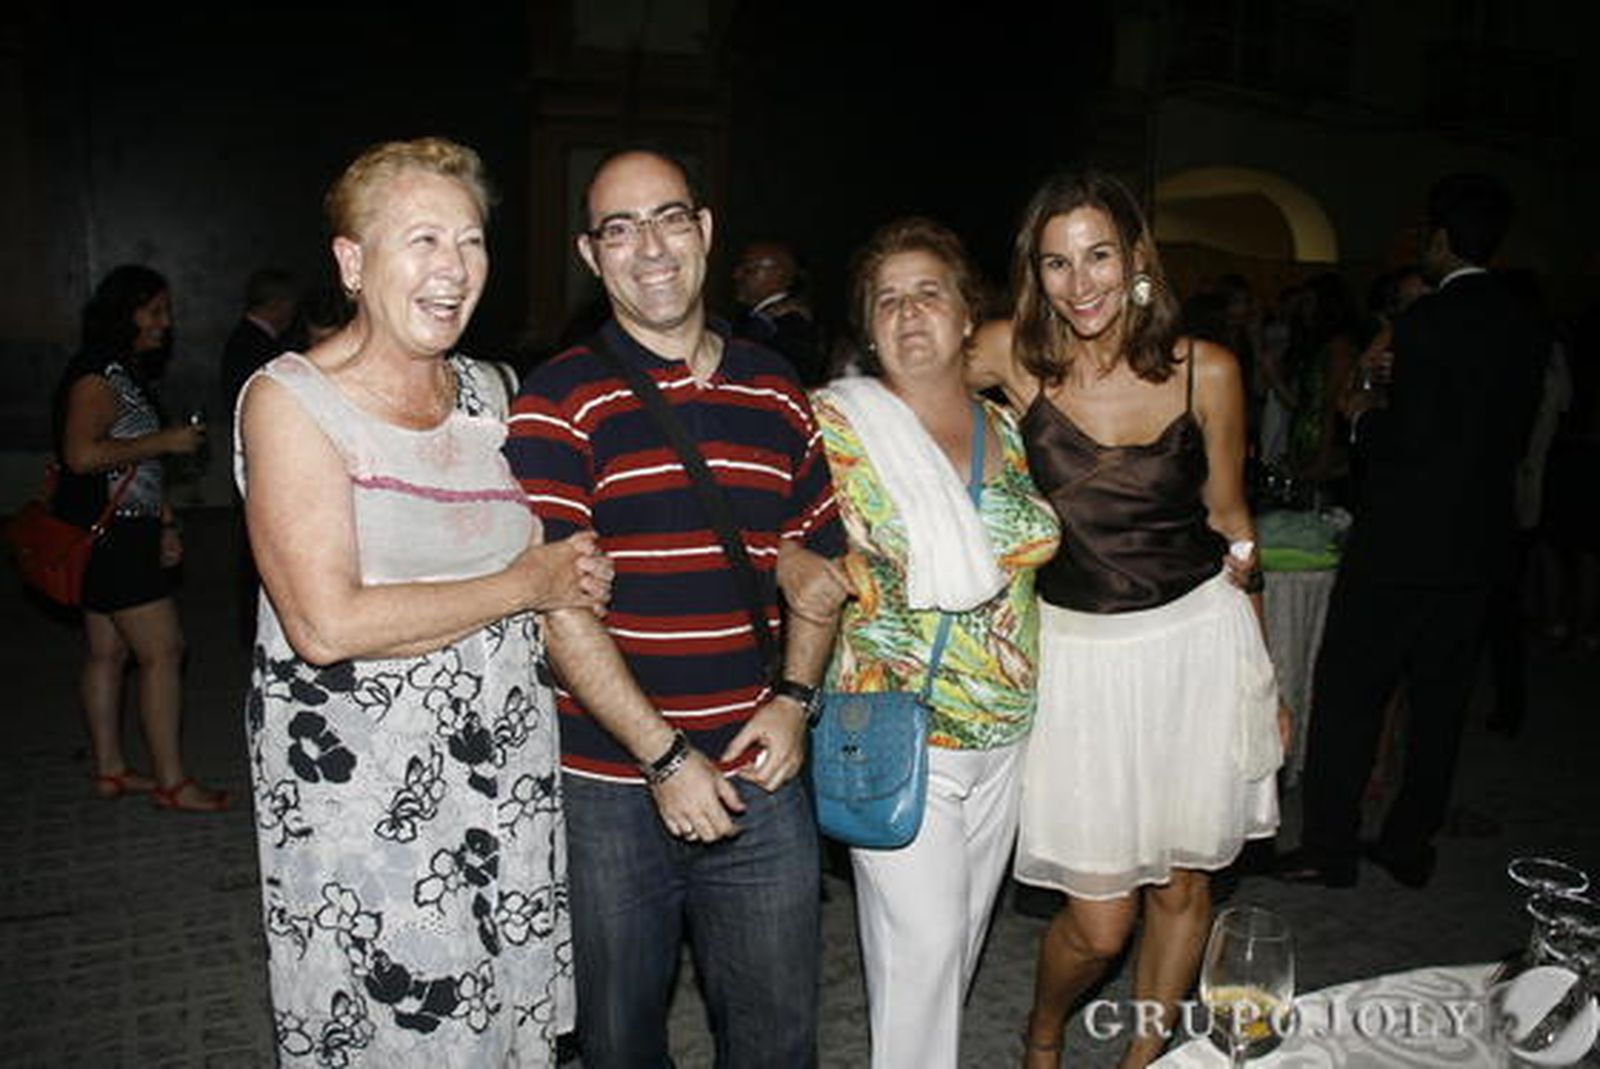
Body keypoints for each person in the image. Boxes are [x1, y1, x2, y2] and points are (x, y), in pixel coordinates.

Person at [236, 137, 612, 1066]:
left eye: (471, 241)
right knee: (404, 1028)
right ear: (353, 262)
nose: (453, 268)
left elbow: (550, 566)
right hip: (367, 796)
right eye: (422, 241)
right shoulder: (291, 402)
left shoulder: (494, 390)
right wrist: (528, 582)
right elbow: (325, 624)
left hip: (506, 772)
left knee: (504, 1022)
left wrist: (573, 573)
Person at [504, 149, 845, 1068]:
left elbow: (822, 562)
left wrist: (795, 699)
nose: (648, 246)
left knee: (778, 1040)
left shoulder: (776, 388)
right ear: (590, 252)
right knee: (620, 1042)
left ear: (704, 232)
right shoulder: (555, 400)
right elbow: (556, 607)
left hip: (759, 768)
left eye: (667, 219)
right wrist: (663, 757)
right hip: (609, 785)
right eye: (620, 228)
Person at [968, 170, 1284, 1069]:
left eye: (1099, 255)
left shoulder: (1208, 369)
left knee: (1185, 885)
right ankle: (1042, 1033)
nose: (1082, 283)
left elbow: (1233, 525)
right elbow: (902, 382)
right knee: (1100, 919)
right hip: (1078, 659)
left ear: (1137, 258)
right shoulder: (1009, 354)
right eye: (1057, 263)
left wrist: (1265, 678)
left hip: (1197, 644)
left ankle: (1143, 1057)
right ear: (1035, 274)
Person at [806, 217, 1060, 1067]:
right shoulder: (835, 426)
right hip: (896, 730)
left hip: (1007, 732)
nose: (909, 313)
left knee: (944, 957)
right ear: (868, 327)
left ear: (965, 316)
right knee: (925, 953)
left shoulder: (1013, 427)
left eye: (928, 293)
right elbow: (760, 527)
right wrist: (797, 570)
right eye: (888, 300)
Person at [1276, 174, 1548, 890]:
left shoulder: (1423, 324)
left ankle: (1329, 846)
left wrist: (1362, 411)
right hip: (1477, 546)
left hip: (1400, 542)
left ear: (1442, 240)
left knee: (1349, 693)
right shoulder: (1526, 326)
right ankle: (1408, 841)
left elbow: (1408, 439)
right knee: (1441, 704)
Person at [52, 264, 224, 812]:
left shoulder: (116, 370)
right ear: (125, 314)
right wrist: (165, 440)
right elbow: (81, 455)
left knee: (107, 652)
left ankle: (112, 770)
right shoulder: (99, 375)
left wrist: (165, 521)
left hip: (114, 529)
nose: (165, 323)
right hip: (114, 536)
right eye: (155, 311)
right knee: (165, 651)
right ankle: (173, 782)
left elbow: (135, 468)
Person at [732, 239, 825, 385]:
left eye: (748, 270)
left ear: (777, 275)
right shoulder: (760, 320)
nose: (736, 275)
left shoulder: (788, 325)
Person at [221, 268, 297, 407]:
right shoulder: (256, 346)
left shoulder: (246, 338)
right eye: (290, 301)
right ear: (275, 303)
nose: (293, 309)